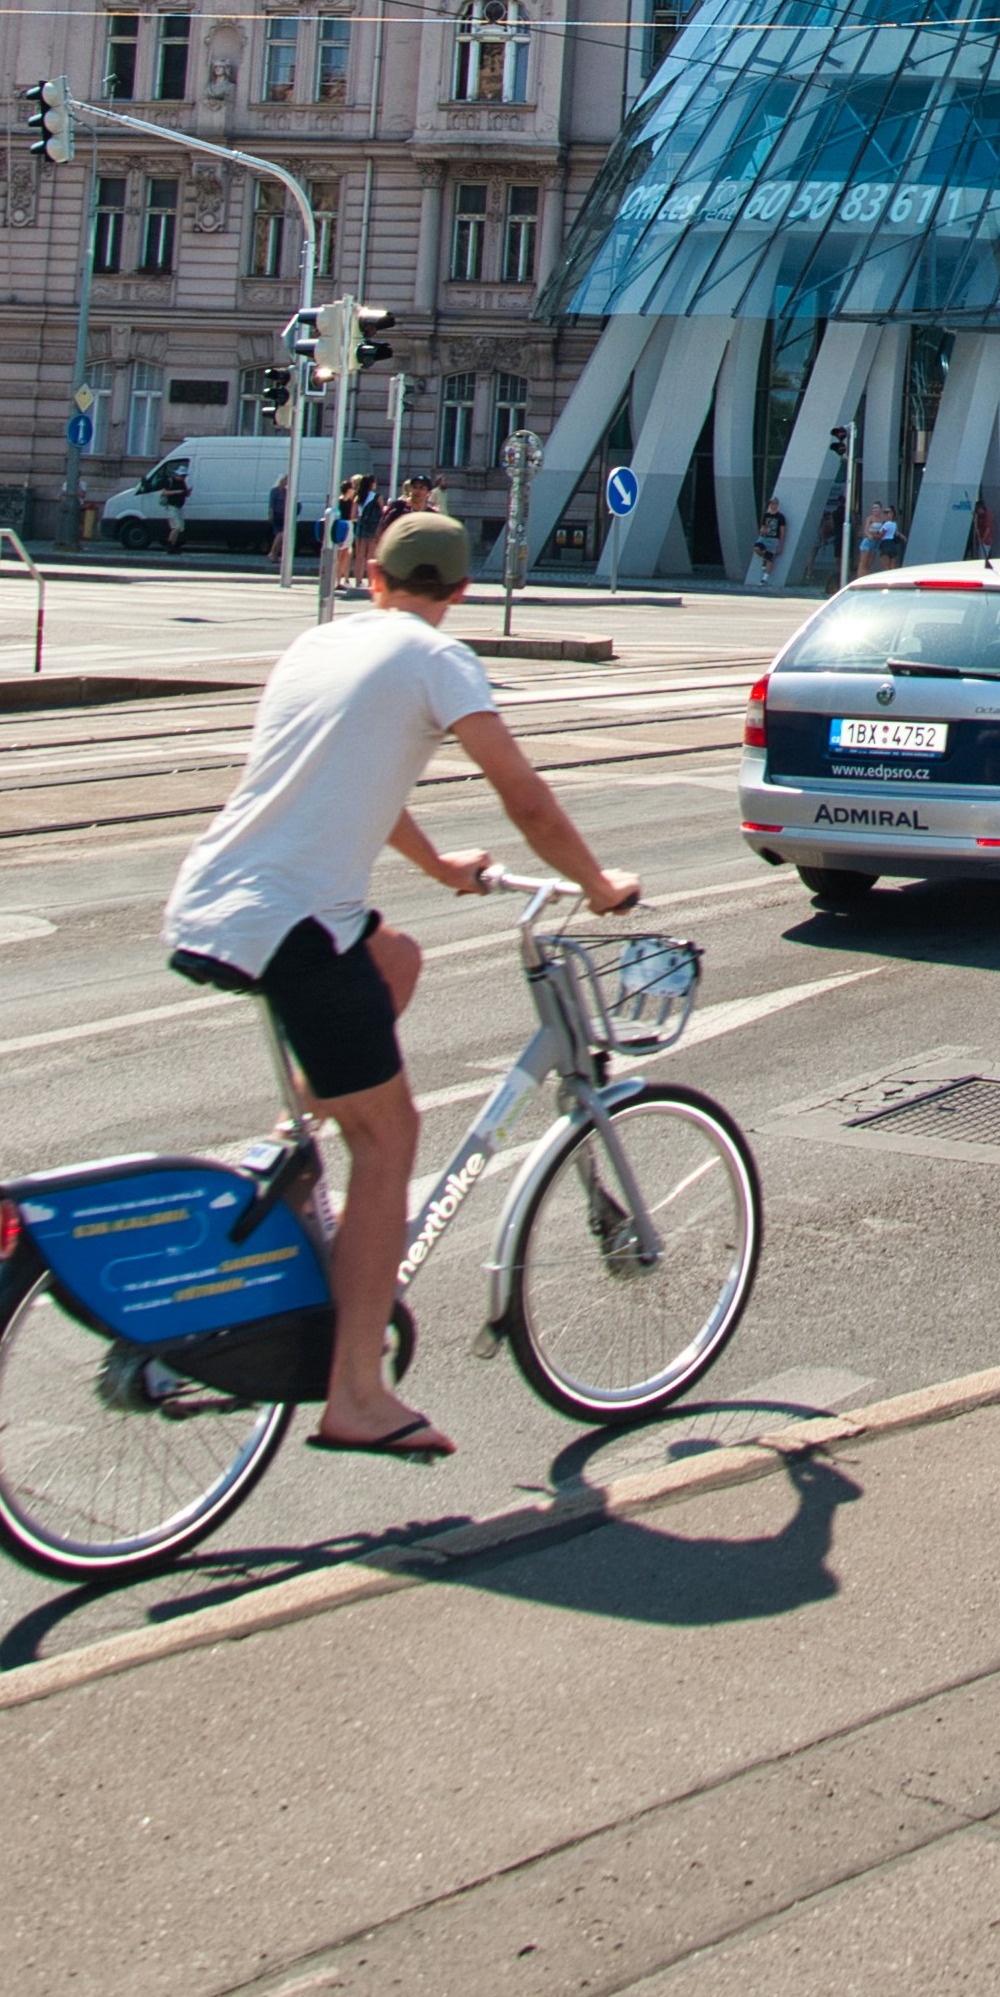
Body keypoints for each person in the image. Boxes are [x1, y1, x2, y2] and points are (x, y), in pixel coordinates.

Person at [162, 509, 641, 1462]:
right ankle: (357, 1395)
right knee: (392, 1137)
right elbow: (527, 796)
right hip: (290, 925)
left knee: (397, 959)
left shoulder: (318, 644)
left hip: (214, 900)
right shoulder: (440, 661)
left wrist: (433, 867)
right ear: (460, 593)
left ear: (371, 575)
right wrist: (596, 884)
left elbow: (350, 784)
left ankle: (290, 1159)